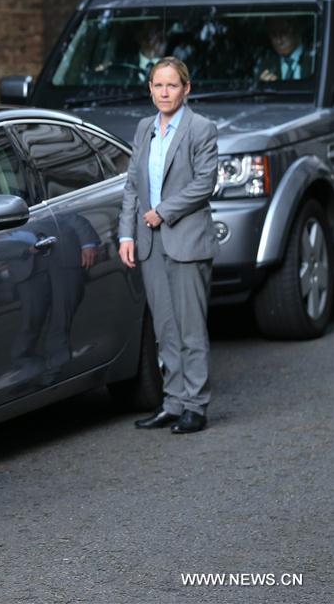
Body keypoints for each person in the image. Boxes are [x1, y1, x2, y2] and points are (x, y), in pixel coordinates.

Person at [118, 57, 218, 434]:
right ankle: (173, 402)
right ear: (150, 89)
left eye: (172, 86)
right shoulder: (145, 128)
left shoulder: (201, 129)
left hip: (187, 240)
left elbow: (204, 184)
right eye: (158, 86)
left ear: (186, 89)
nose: (164, 93)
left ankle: (196, 405)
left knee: (191, 328)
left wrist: (163, 211)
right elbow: (131, 186)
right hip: (149, 242)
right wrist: (126, 234)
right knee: (165, 328)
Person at [256, 16, 312, 82]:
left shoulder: (315, 59)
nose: (279, 41)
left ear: (297, 29)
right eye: (273, 34)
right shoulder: (265, 65)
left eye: (283, 32)